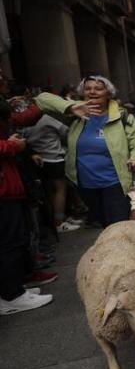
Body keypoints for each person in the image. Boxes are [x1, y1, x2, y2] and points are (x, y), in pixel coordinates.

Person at [0, 70, 92, 314]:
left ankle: (15, 288)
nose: (5, 82)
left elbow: (29, 114)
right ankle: (10, 296)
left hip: (10, 183)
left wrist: (65, 106)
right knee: (9, 240)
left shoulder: (7, 110)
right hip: (3, 186)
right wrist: (11, 146)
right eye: (0, 78)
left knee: (17, 237)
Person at [68, 76, 135, 227]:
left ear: (108, 93)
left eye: (98, 88)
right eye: (88, 88)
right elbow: (42, 101)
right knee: (104, 226)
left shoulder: (123, 117)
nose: (92, 92)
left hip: (114, 183)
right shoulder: (75, 117)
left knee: (118, 228)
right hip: (86, 185)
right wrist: (70, 108)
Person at [22, 113, 79, 233]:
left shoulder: (23, 120)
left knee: (49, 192)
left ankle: (58, 219)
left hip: (38, 159)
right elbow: (66, 133)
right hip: (53, 157)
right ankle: (59, 222)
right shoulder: (47, 118)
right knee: (60, 190)